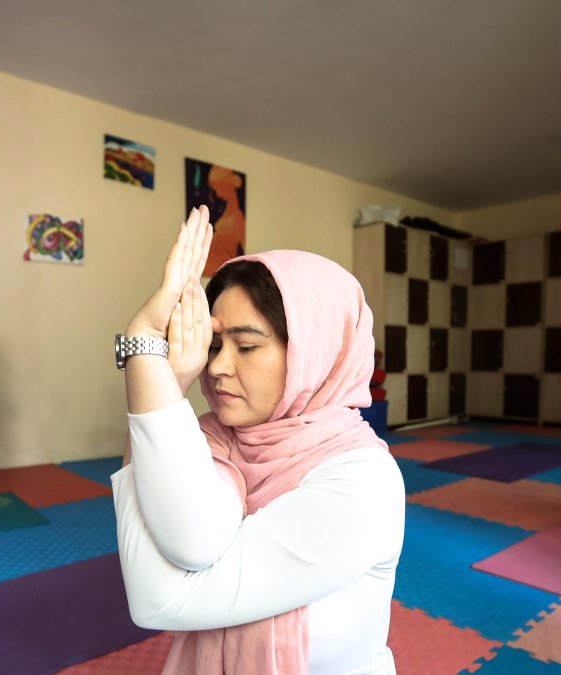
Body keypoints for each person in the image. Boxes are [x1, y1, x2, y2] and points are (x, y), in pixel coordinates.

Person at [112, 207, 405, 673]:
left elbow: (162, 600)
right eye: (214, 344)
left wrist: (144, 340)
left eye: (246, 346)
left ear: (315, 353)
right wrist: (167, 380)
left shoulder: (363, 481)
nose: (217, 367)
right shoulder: (214, 437)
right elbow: (195, 538)